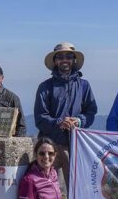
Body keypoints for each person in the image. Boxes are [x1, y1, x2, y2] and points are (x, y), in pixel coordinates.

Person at [34, 42, 97, 188]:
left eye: (69, 56)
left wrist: (79, 121)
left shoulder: (84, 85)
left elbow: (91, 112)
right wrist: (59, 123)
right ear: (55, 61)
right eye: (60, 57)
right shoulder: (45, 87)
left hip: (74, 145)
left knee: (75, 189)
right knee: (45, 188)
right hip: (49, 147)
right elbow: (40, 117)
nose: (65, 60)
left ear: (74, 60)